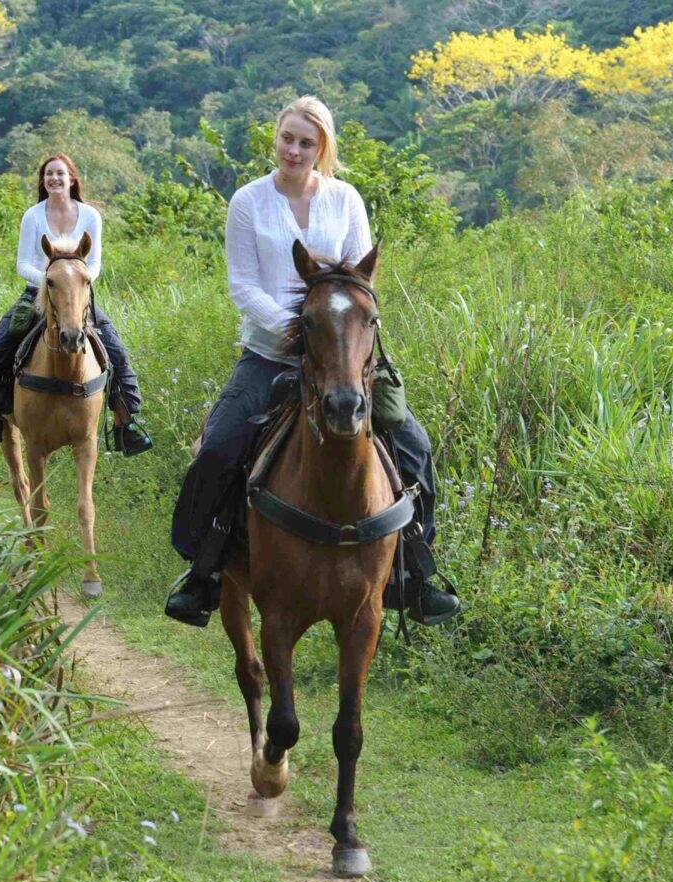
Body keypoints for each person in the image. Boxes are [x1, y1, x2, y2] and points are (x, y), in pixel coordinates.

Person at [163, 96, 462, 628]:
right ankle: (202, 570)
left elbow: (359, 281)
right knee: (219, 446)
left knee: (413, 443)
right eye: (288, 139)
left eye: (307, 142)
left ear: (323, 148)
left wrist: (335, 334)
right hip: (269, 352)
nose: (294, 150)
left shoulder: (345, 199)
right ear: (274, 138)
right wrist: (292, 328)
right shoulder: (248, 201)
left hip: (343, 353)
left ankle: (416, 571)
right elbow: (242, 284)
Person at [0, 154, 153, 457]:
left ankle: (126, 423)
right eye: (48, 174)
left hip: (78, 295)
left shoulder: (90, 215)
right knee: (0, 343)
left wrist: (73, 279)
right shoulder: (33, 215)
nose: (54, 179)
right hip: (38, 293)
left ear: (72, 179)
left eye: (60, 174)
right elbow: (22, 263)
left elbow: (93, 265)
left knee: (116, 349)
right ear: (43, 181)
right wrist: (49, 278)